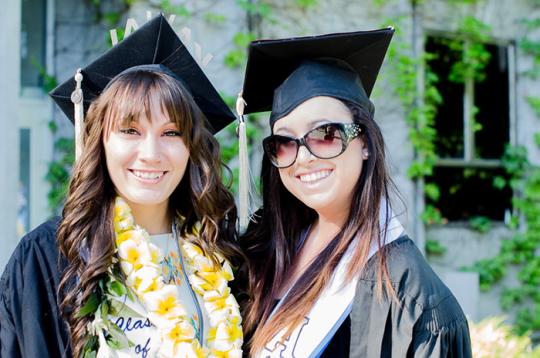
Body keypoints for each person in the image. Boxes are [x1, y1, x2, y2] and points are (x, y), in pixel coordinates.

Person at [0, 15, 243, 357]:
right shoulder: (50, 257)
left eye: (171, 133)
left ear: (191, 146)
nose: (151, 153)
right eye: (130, 131)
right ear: (100, 141)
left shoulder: (220, 252)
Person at [237, 29, 472, 357]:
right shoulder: (264, 253)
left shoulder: (413, 297)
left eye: (325, 134)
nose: (303, 156)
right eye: (285, 141)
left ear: (364, 142)